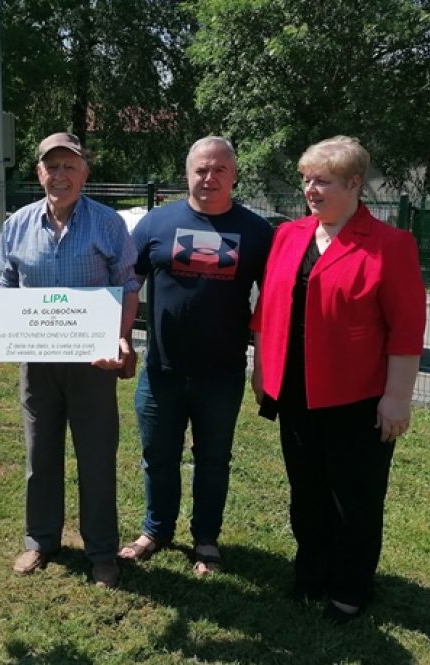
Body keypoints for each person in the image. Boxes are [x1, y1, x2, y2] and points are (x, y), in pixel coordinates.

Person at [250, 136, 426, 623]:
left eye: (322, 181)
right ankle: (312, 573)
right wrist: (263, 369)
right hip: (297, 393)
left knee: (354, 497)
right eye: (306, 179)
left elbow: (407, 330)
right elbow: (268, 310)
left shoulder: (391, 246)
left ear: (354, 184)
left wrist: (397, 397)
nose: (310, 189)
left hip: (359, 399)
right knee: (306, 490)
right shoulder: (289, 235)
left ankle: (350, 587)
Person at [0, 132, 139, 588]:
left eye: (69, 166)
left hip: (94, 363)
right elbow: (7, 282)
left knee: (97, 457)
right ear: (39, 172)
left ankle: (102, 551)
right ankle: (41, 540)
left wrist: (121, 338)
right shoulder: (18, 223)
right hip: (38, 361)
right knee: (39, 453)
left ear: (84, 173)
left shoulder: (107, 224)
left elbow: (127, 284)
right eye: (52, 166)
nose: (60, 175)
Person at [118, 137, 273, 575]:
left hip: (221, 375)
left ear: (234, 175)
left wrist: (265, 365)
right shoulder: (155, 223)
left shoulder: (257, 231)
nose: (210, 177)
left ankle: (206, 540)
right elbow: (127, 282)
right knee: (158, 456)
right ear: (187, 174)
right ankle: (156, 529)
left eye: (220, 170)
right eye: (202, 169)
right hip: (161, 371)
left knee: (213, 460)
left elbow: (273, 301)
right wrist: (120, 336)